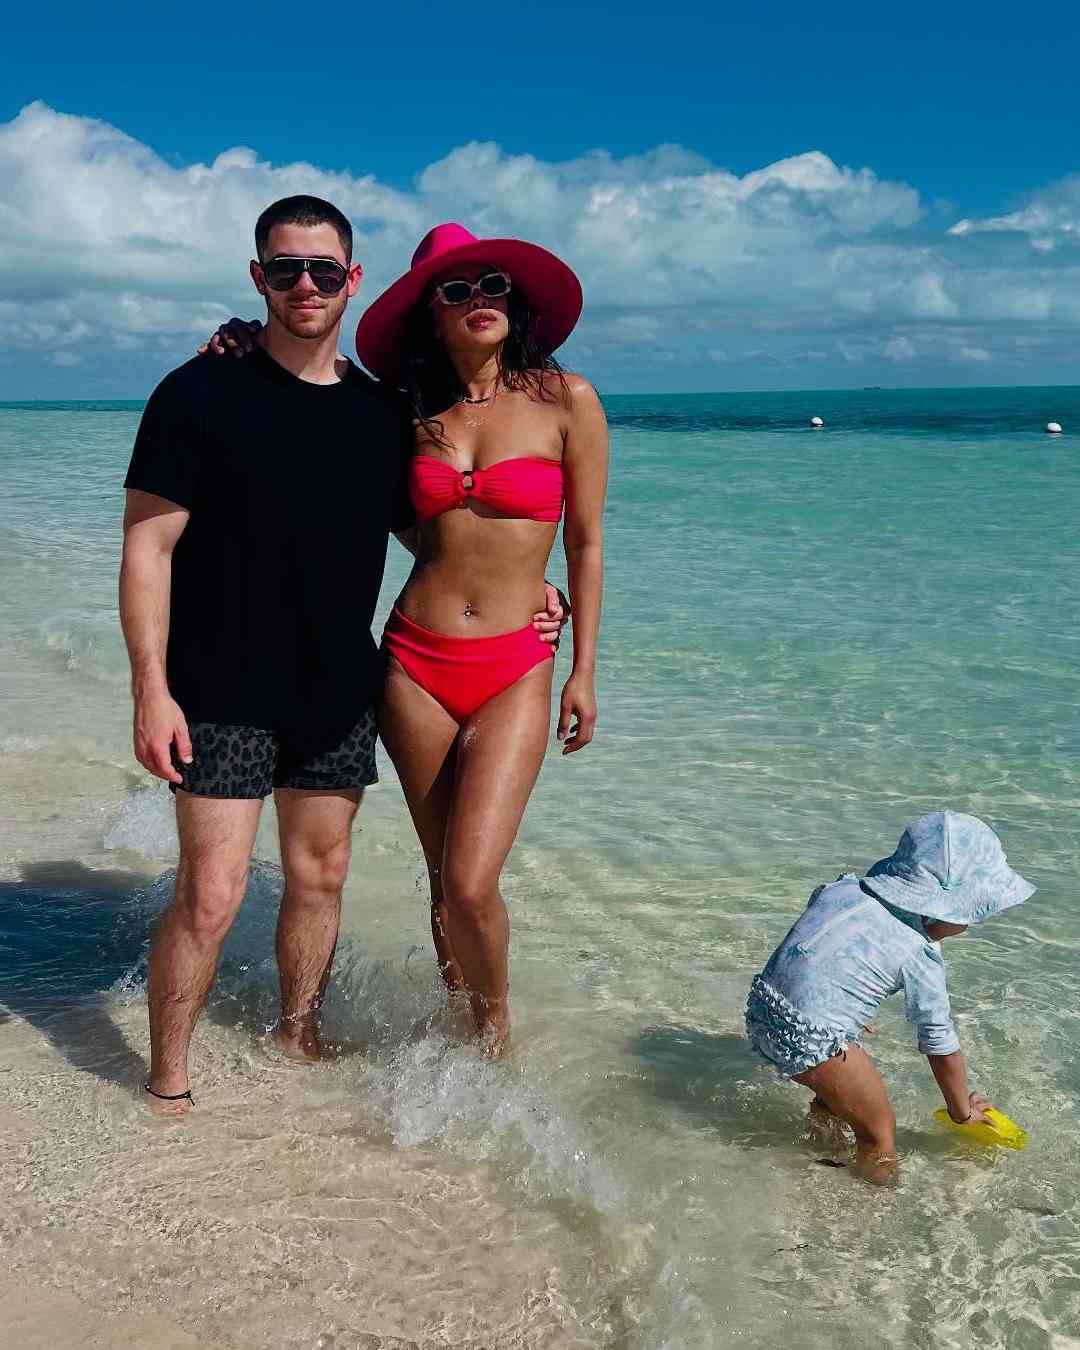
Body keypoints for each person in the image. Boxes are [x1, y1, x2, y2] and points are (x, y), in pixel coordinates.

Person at [120, 195, 567, 1114]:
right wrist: (150, 691)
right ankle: (168, 1083)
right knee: (212, 892)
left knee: (321, 879)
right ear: (259, 280)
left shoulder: (382, 414)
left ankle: (298, 1043)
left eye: (324, 270)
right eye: (286, 270)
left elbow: (436, 530)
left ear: (352, 280)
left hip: (337, 686)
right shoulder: (196, 392)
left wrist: (533, 591)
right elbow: (146, 549)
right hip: (216, 687)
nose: (306, 286)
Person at [208, 223, 609, 1056]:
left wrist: (584, 667)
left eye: (492, 284)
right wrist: (244, 341)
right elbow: (327, 415)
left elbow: (587, 542)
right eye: (456, 290)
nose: (478, 302)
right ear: (431, 311)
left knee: (471, 883)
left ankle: (495, 1039)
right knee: (439, 884)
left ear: (516, 298)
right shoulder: (402, 410)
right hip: (415, 661)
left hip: (515, 665)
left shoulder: (567, 399)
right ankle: (453, 1046)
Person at [745, 810, 1035, 1184]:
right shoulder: (919, 952)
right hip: (810, 1039)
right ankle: (871, 1213)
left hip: (764, 1009)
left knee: (837, 1097)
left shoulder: (844, 890)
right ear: (945, 906)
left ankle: (819, 1159)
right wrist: (961, 1110)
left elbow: (820, 942)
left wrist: (835, 999)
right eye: (972, 912)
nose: (971, 922)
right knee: (879, 1133)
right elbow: (939, 1042)